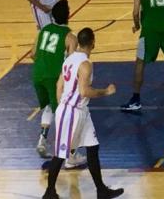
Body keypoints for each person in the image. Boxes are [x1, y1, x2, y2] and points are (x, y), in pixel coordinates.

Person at [43, 28, 123, 199]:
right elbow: (84, 91)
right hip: (72, 111)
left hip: (79, 110)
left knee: (93, 147)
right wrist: (106, 91)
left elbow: (59, 86)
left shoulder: (69, 59)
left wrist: (61, 105)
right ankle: (49, 192)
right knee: (60, 153)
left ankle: (101, 190)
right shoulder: (85, 64)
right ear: (93, 43)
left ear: (79, 42)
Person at [31, 1, 80, 160]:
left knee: (48, 107)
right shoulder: (70, 37)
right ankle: (70, 154)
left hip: (37, 74)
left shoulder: (44, 30)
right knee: (63, 112)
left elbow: (33, 54)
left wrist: (44, 64)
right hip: (54, 78)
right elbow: (71, 64)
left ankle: (42, 140)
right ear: (68, 15)